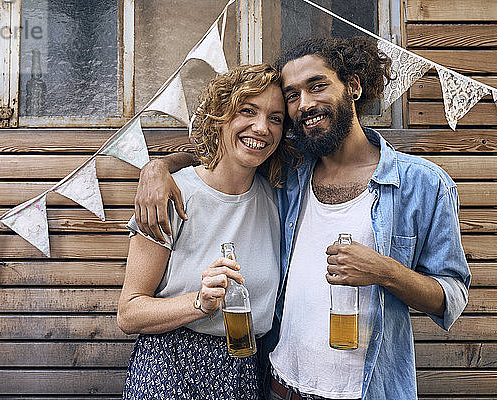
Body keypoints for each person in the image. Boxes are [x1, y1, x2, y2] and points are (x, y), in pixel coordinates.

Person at [132, 37, 471, 400]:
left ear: (353, 86)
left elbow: (451, 296)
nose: (305, 104)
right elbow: (224, 157)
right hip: (278, 386)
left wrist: (384, 271)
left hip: (367, 391)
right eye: (293, 95)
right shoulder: (288, 175)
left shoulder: (423, 184)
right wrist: (158, 167)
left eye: (317, 86)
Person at [117, 63, 297, 400]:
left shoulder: (278, 200)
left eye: (275, 118)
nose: (261, 127)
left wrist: (161, 163)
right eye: (248, 111)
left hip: (247, 371)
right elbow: (129, 312)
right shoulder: (171, 196)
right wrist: (199, 302)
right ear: (221, 116)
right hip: (170, 370)